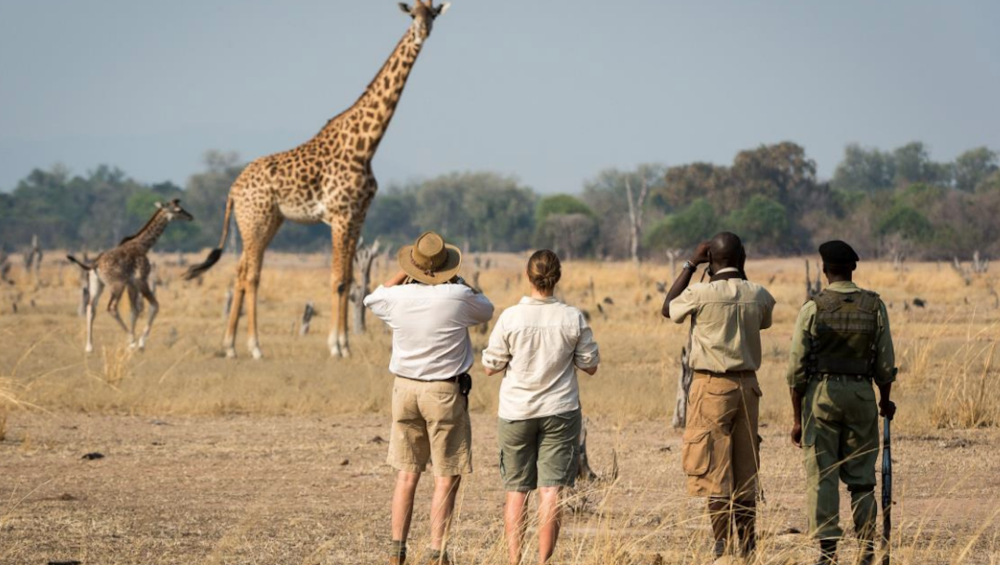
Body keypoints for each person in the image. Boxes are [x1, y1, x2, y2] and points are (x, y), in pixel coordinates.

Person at [364, 231, 495, 565]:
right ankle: (437, 553)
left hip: (404, 390)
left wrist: (402, 275)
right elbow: (486, 308)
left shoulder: (398, 299)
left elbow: (372, 298)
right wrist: (459, 281)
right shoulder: (458, 296)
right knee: (445, 475)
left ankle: (397, 551)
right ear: (447, 267)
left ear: (414, 267)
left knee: (407, 475)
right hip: (444, 392)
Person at [662, 232, 776, 563]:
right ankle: (749, 547)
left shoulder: (700, 292)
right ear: (742, 259)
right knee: (745, 471)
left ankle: (721, 547)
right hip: (748, 389)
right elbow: (763, 320)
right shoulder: (759, 294)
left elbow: (668, 308)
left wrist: (690, 264)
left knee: (715, 470)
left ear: (710, 259)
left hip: (711, 387)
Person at [482, 250, 600, 565]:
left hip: (516, 412)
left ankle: (513, 560)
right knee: (551, 491)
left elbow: (490, 366)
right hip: (560, 409)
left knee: (517, 491)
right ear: (557, 277)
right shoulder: (571, 316)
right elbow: (591, 365)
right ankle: (544, 561)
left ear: (528, 276)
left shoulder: (510, 317)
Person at [786, 240, 896, 565]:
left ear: (824, 270)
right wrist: (884, 402)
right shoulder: (874, 306)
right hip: (862, 395)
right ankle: (867, 550)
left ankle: (828, 552)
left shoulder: (813, 307)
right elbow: (886, 365)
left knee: (822, 474)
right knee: (863, 479)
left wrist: (797, 418)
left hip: (821, 397)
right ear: (853, 268)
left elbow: (795, 370)